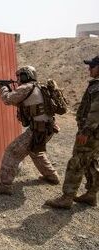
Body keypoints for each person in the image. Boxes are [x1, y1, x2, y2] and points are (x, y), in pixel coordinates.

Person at [0, 66, 60, 195]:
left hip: (38, 130)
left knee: (12, 152)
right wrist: (9, 89)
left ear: (27, 76)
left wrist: (3, 88)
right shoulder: (38, 87)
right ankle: (52, 176)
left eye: (20, 76)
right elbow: (22, 102)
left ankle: (4, 186)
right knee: (36, 152)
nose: (18, 79)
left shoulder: (26, 88)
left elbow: (8, 99)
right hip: (48, 128)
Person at [45, 56, 99, 209]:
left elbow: (96, 112)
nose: (89, 69)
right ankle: (91, 194)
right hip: (96, 134)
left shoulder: (98, 87)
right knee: (91, 162)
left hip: (91, 133)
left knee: (77, 162)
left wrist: (86, 131)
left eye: (93, 66)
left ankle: (67, 197)